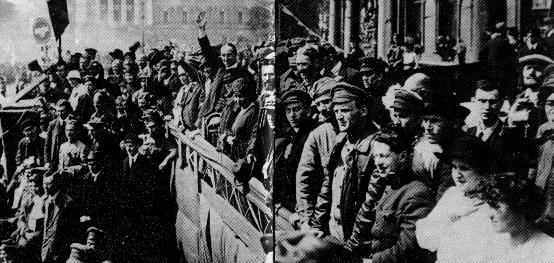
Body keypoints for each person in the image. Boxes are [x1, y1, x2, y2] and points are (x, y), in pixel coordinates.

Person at [346, 127, 434, 262]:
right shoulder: (387, 185)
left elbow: (407, 250)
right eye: (375, 156)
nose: (377, 163)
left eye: (384, 156)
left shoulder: (416, 193)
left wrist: (370, 261)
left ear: (403, 156)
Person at [310, 82, 377, 242]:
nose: (339, 116)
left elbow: (371, 203)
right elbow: (327, 184)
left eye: (345, 110)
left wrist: (354, 243)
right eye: (337, 111)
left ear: (363, 111)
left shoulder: (375, 146)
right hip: (335, 231)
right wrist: (317, 224)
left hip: (357, 239)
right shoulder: (340, 142)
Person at [415, 136, 496, 263]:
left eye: (464, 168)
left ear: (482, 171)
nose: (457, 175)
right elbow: (426, 240)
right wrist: (450, 216)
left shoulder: (493, 204)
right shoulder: (453, 194)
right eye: (454, 167)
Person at [479, 175, 554, 263]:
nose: (490, 215)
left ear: (520, 207)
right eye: (490, 207)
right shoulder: (493, 245)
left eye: (497, 207)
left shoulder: (549, 250)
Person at [274, 89, 316, 212]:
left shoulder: (311, 135)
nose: (291, 115)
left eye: (296, 110)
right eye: (288, 111)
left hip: (301, 205)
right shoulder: (292, 134)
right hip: (289, 201)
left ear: (308, 111)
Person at [41, 171, 80, 263]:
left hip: (60, 254)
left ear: (57, 183)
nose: (45, 187)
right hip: (46, 252)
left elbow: (71, 232)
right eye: (44, 183)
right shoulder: (47, 201)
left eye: (48, 183)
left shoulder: (67, 202)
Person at [479, 22, 518, 101]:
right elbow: (513, 57)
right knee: (502, 92)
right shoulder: (505, 42)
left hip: (491, 72)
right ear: (504, 31)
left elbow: (480, 56)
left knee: (494, 91)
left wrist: (487, 65)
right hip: (503, 72)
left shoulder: (489, 42)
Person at [44, 99, 72, 170]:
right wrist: (47, 161)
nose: (60, 113)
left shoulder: (74, 123)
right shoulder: (52, 124)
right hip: (55, 161)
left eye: (62, 111)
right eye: (58, 111)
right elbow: (47, 144)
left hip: (69, 160)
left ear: (68, 111)